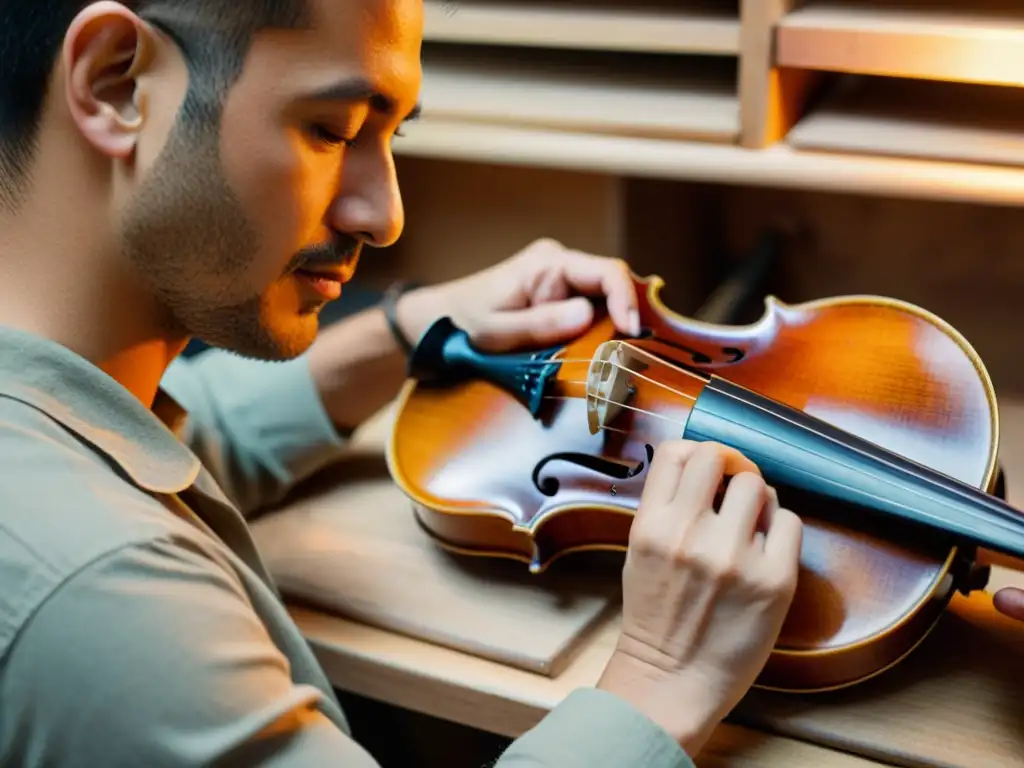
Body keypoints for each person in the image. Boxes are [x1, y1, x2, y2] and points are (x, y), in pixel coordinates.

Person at [0, 2, 1014, 768]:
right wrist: (660, 680)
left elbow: (150, 449)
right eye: (329, 127)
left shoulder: (53, 420)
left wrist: (407, 334)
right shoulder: (101, 593)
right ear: (116, 83)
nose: (384, 212)